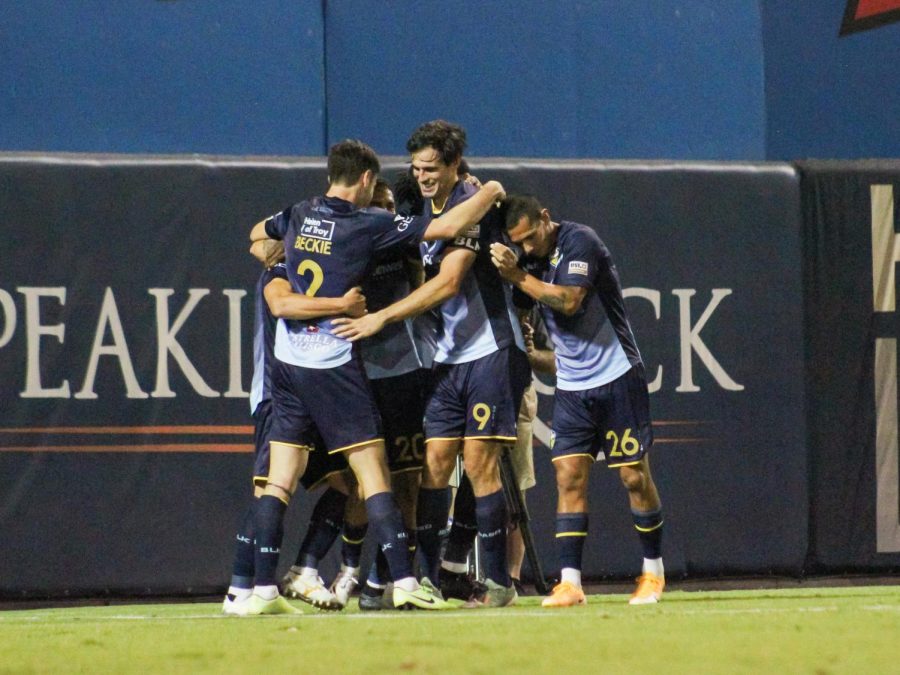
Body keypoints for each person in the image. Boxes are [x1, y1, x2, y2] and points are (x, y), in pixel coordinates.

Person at [244, 138, 505, 614]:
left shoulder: (299, 212)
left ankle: (259, 589)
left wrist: (273, 253)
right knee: (373, 474)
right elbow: (446, 226)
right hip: (334, 360)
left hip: (290, 363)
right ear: (366, 179)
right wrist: (488, 191)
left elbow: (258, 232)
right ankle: (403, 581)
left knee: (279, 480)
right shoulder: (367, 224)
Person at [332, 121, 530, 608]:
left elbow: (448, 283)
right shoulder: (421, 204)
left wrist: (382, 316)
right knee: (434, 465)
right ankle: (427, 579)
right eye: (417, 168)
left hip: (490, 350)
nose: (422, 176)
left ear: (454, 166)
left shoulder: (472, 203)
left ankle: (500, 581)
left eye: (431, 168)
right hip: (448, 357)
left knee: (479, 464)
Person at [490, 194, 666, 607]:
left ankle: (653, 573)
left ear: (545, 218)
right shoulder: (526, 261)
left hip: (618, 377)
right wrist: (528, 345)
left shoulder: (580, 242)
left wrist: (516, 275)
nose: (527, 248)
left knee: (633, 477)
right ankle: (570, 584)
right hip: (572, 387)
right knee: (568, 477)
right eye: (519, 243)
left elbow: (569, 300)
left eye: (530, 238)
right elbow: (522, 313)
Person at [222, 238, 365, 615]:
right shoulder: (282, 274)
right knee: (270, 490)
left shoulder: (303, 273)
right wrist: (343, 306)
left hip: (308, 398)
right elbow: (278, 292)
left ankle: (303, 569)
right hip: (276, 395)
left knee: (350, 486)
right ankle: (244, 588)